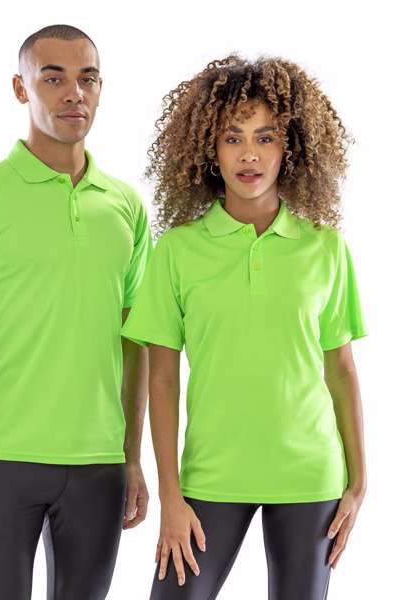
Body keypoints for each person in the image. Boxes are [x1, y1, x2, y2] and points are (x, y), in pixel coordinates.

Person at [121, 54, 368, 600]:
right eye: (233, 138)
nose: (249, 154)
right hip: (211, 476)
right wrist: (170, 497)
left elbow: (342, 371)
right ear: (209, 149)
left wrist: (359, 483)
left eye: (266, 137)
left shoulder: (325, 248)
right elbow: (162, 379)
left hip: (309, 478)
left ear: (290, 148)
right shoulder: (178, 251)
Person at [0, 24, 152, 600]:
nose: (74, 93)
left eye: (87, 79)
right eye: (53, 79)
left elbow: (137, 344)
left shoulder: (126, 206)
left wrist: (132, 460)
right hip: (2, 460)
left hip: (99, 464)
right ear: (21, 88)